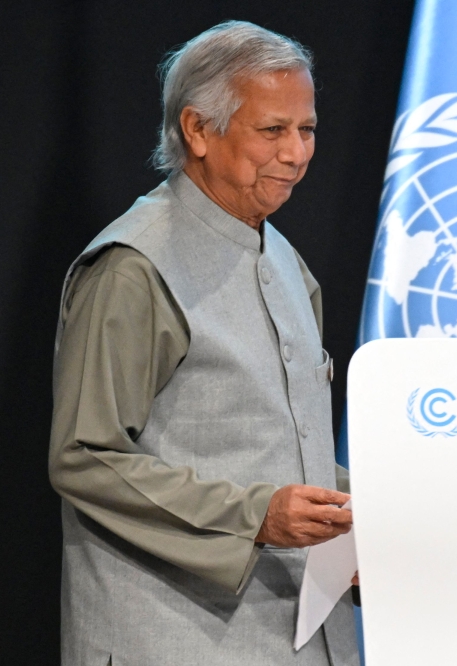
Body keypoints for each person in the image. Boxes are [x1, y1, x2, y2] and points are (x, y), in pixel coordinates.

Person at [48, 21, 359, 665]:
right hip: (174, 640)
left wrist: (364, 516)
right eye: (273, 130)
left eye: (307, 130)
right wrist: (256, 517)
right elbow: (84, 455)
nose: (297, 153)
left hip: (300, 638)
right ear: (197, 130)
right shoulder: (133, 267)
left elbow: (283, 445)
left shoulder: (285, 260)